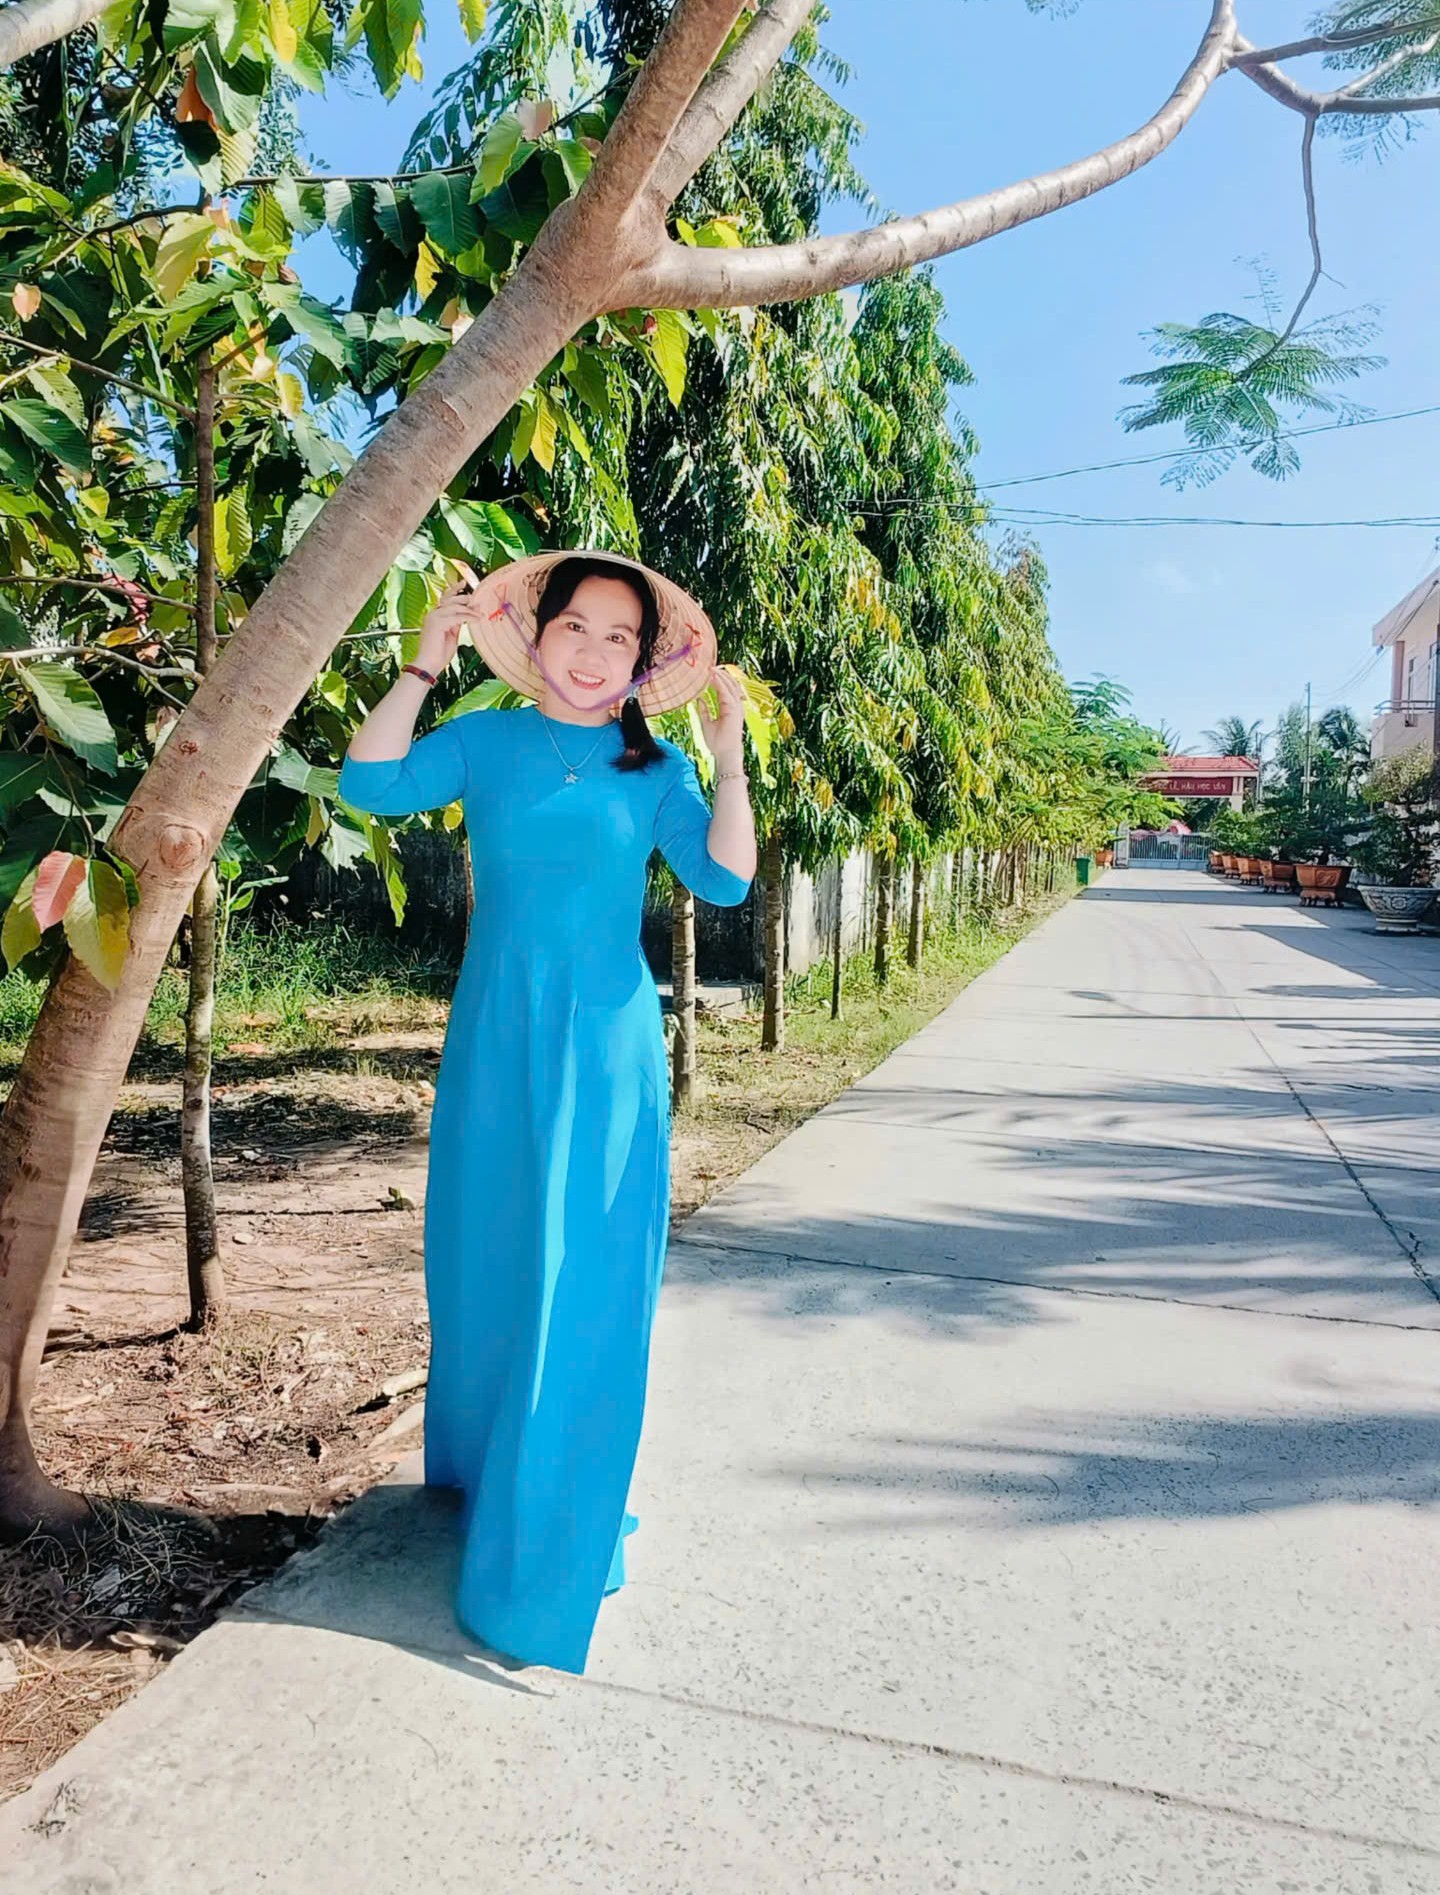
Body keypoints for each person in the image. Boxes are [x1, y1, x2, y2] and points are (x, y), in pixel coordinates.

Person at [336, 550, 756, 1674]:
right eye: (577, 626)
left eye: (621, 637)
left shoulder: (657, 768)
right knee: (485, 1260)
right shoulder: (487, 741)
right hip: (495, 1040)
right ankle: (488, 1474)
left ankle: (551, 1539)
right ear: (538, 633)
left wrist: (727, 761)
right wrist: (423, 662)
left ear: (644, 661)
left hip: (607, 1052)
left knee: (585, 1281)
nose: (594, 652)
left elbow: (724, 882)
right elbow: (368, 785)